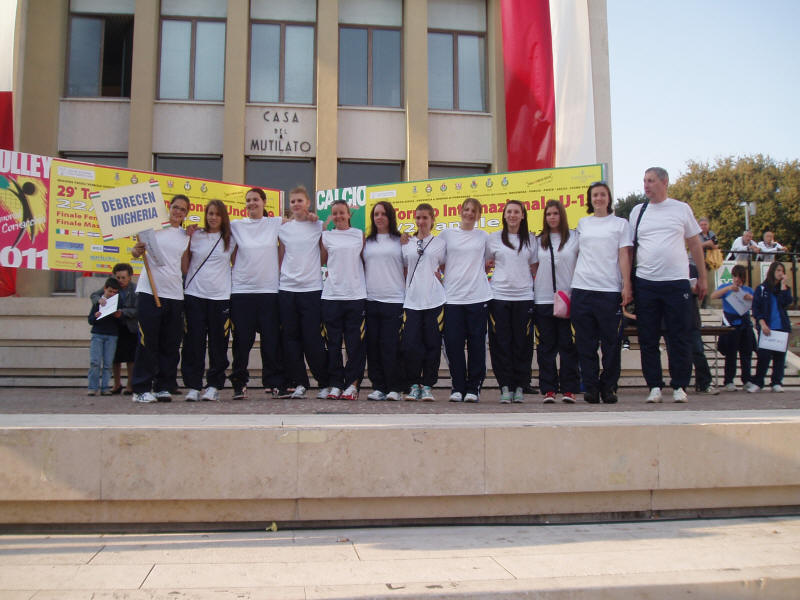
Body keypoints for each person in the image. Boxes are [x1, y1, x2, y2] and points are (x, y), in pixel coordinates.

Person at [629, 167, 706, 404]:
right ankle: (654, 386)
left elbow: (695, 244)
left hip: (676, 282)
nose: (646, 185)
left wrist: (703, 277)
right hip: (646, 282)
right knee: (648, 337)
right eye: (644, 180)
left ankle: (680, 385)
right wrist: (627, 284)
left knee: (679, 335)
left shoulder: (681, 209)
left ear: (664, 182)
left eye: (651, 180)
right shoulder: (638, 211)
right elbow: (630, 249)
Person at [571, 181, 633, 404]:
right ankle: (591, 388)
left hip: (609, 290)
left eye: (602, 194)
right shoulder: (583, 223)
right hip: (582, 288)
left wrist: (626, 285)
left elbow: (624, 255)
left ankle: (609, 388)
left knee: (611, 343)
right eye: (595, 195)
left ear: (609, 198)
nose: (598, 198)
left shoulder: (620, 224)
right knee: (585, 343)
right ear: (590, 199)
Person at [130, 194, 191, 403]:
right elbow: (136, 252)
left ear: (186, 214)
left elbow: (185, 266)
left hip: (174, 294)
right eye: (175, 207)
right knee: (147, 341)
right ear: (169, 208)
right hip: (150, 292)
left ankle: (163, 386)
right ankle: (141, 388)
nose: (178, 212)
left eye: (183, 209)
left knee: (170, 343)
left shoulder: (185, 236)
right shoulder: (152, 230)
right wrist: (135, 251)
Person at [229, 188, 284, 400]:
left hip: (269, 291)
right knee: (242, 342)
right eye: (248, 200)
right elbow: (231, 253)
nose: (251, 203)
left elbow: (296, 224)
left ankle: (274, 383)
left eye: (255, 199)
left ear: (264, 202)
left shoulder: (275, 223)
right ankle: (239, 383)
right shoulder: (236, 225)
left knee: (271, 341)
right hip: (242, 292)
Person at [278, 185, 330, 399]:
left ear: (308, 203)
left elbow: (324, 255)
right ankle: (300, 383)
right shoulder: (283, 228)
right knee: (291, 339)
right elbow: (281, 255)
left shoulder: (318, 225)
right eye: (293, 201)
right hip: (287, 289)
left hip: (311, 289)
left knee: (313, 338)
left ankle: (324, 382)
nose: (296, 204)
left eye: (300, 200)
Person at [181, 199, 235, 402]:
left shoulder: (231, 238)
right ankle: (193, 385)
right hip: (195, 295)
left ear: (223, 217)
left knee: (218, 343)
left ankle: (214, 385)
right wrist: (187, 239)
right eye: (210, 213)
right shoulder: (196, 235)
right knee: (193, 342)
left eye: (217, 214)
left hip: (220, 297)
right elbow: (185, 266)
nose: (213, 217)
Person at [440, 198, 492, 403]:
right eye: (467, 209)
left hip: (478, 297)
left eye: (474, 211)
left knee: (477, 344)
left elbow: (488, 262)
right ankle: (458, 386)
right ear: (460, 211)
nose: (469, 213)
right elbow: (440, 262)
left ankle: (474, 388)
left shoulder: (484, 237)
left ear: (479, 215)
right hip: (452, 298)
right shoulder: (447, 235)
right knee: (453, 344)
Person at [486, 200, 537, 404]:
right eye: (509, 212)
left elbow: (535, 267)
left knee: (522, 344)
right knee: (501, 344)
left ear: (523, 215)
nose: (513, 215)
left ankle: (520, 386)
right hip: (499, 297)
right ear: (504, 215)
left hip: (524, 297)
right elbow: (485, 264)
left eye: (516, 212)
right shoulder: (493, 238)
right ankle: (505, 386)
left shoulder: (531, 239)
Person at [533, 200, 580, 403]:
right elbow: (533, 267)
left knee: (568, 345)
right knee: (546, 346)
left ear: (562, 215)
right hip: (543, 298)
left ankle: (569, 389)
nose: (552, 217)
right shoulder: (538, 241)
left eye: (555, 213)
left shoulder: (574, 238)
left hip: (567, 298)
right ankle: (549, 389)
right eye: (548, 214)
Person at [320, 200, 367, 400]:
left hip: (355, 296)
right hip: (331, 296)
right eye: (335, 213)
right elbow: (322, 260)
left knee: (354, 344)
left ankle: (353, 384)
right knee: (333, 344)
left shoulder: (358, 234)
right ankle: (336, 384)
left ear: (349, 214)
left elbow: (366, 260)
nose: (338, 216)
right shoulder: (326, 236)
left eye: (342, 212)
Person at [402, 203, 446, 402]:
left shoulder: (440, 243)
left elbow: (446, 266)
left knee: (432, 345)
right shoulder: (407, 242)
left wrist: (441, 278)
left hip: (434, 300)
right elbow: (404, 269)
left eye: (425, 218)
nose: (421, 221)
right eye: (418, 217)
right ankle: (413, 385)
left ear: (432, 219)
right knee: (411, 345)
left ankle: (427, 385)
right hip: (412, 301)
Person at [363, 201, 405, 401]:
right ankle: (378, 386)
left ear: (390, 217)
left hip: (394, 300)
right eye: (376, 214)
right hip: (371, 299)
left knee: (391, 346)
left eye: (383, 214)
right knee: (373, 346)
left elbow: (407, 268)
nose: (379, 217)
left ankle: (394, 387)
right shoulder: (367, 242)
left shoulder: (400, 241)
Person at [90, 263, 137, 394]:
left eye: (123, 278)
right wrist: (100, 300)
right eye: (118, 277)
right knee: (115, 358)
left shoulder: (136, 289)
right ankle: (116, 384)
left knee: (131, 358)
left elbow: (138, 309)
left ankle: (130, 385)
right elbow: (94, 295)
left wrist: (123, 313)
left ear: (130, 277)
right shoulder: (112, 286)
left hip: (129, 326)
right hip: (113, 327)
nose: (120, 280)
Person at [710, 264, 754, 392]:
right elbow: (713, 296)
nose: (737, 280)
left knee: (746, 353)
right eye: (735, 277)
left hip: (745, 322)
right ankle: (729, 380)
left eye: (740, 277)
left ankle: (747, 380)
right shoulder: (727, 287)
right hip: (730, 323)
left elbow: (758, 303)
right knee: (731, 353)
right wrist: (728, 288)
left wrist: (751, 298)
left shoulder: (748, 290)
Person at [750, 261, 793, 392]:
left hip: (781, 327)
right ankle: (758, 382)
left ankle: (776, 382)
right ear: (772, 271)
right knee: (763, 356)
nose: (780, 273)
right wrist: (762, 323)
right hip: (767, 327)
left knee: (780, 357)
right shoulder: (762, 289)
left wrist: (783, 285)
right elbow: (756, 308)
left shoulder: (784, 289)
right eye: (778, 270)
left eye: (782, 271)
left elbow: (786, 303)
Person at [87, 277, 121, 396]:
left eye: (114, 292)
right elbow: (90, 320)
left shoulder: (117, 302)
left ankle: (105, 387)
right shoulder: (98, 302)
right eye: (110, 291)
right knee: (95, 362)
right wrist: (95, 316)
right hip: (98, 334)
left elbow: (121, 322)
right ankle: (92, 387)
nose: (112, 294)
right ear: (105, 289)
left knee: (108, 363)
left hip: (112, 335)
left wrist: (118, 316)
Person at [696, 217, 719, 308]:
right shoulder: (696, 234)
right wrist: (707, 244)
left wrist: (710, 244)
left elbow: (716, 245)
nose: (703, 226)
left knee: (709, 283)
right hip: (698, 261)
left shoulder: (711, 234)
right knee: (699, 282)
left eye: (705, 224)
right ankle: (698, 303)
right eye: (701, 225)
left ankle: (706, 303)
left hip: (709, 262)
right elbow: (696, 246)